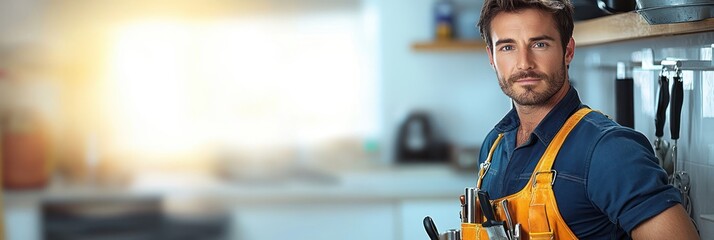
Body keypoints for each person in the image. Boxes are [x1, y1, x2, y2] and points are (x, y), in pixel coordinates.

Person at [473, 0, 699, 239]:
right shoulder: (493, 147)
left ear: (568, 50)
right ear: (491, 57)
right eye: (507, 47)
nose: (524, 63)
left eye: (539, 44)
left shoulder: (609, 150)